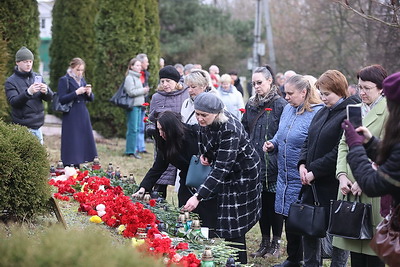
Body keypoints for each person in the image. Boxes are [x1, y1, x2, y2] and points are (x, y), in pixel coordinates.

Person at [184, 93, 262, 264]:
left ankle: (238, 262)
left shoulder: (230, 129)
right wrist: (206, 154)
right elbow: (207, 142)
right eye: (197, 114)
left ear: (217, 113)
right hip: (227, 172)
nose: (199, 118)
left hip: (244, 175)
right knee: (225, 220)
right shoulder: (206, 122)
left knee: (233, 223)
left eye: (204, 115)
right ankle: (229, 259)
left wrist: (198, 196)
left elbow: (221, 169)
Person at [297, 70, 360, 267]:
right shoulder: (322, 111)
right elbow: (308, 140)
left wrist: (315, 170)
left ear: (339, 91)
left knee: (338, 234)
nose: (323, 98)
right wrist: (302, 164)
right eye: (321, 94)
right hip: (312, 183)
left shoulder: (350, 112)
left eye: (326, 94)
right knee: (309, 230)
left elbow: (339, 151)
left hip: (334, 184)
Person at [263, 74, 324, 267]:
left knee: (303, 220)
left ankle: (309, 260)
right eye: (285, 93)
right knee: (289, 219)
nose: (286, 97)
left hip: (303, 178)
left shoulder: (317, 113)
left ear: (304, 92)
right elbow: (282, 134)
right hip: (284, 176)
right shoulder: (288, 109)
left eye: (290, 93)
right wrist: (272, 143)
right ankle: (293, 258)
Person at [336, 67, 393, 267]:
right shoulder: (355, 109)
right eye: (359, 87)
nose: (361, 92)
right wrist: (342, 175)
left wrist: (364, 179)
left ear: (382, 89)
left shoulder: (389, 111)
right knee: (354, 246)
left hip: (373, 188)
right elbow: (344, 144)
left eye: (367, 88)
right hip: (349, 186)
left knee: (372, 249)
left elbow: (386, 150)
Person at [132, 111, 218, 230]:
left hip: (206, 178)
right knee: (186, 215)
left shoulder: (193, 133)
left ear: (171, 128)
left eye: (163, 130)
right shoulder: (163, 141)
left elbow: (214, 146)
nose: (161, 134)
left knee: (206, 220)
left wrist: (209, 156)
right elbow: (158, 168)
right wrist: (143, 188)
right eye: (159, 130)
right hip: (187, 181)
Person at [242, 65, 287, 259]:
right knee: (260, 203)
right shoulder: (251, 104)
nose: (257, 87)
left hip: (275, 163)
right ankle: (264, 241)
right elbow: (244, 129)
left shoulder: (280, 104)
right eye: (254, 83)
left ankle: (276, 243)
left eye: (259, 82)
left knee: (274, 204)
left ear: (270, 81)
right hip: (255, 162)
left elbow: (283, 132)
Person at [148, 65, 189, 198]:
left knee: (184, 176)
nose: (165, 84)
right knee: (161, 174)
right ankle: (159, 204)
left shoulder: (185, 94)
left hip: (181, 141)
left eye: (168, 81)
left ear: (176, 82)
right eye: (162, 81)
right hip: (163, 139)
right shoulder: (156, 97)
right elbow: (151, 118)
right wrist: (152, 130)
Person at [5, 46, 54, 144]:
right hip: (22, 128)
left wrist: (46, 91)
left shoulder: (37, 77)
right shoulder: (11, 81)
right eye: (25, 62)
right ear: (17, 62)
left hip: (38, 126)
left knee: (39, 157)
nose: (28, 64)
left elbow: (50, 97)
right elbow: (14, 102)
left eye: (30, 61)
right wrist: (28, 92)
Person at [57, 57, 97, 168]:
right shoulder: (64, 80)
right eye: (77, 70)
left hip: (82, 113)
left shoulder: (82, 80)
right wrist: (76, 92)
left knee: (82, 139)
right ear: (72, 68)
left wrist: (89, 93)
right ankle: (68, 163)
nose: (80, 72)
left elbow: (90, 99)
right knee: (72, 139)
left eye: (82, 70)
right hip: (71, 114)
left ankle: (78, 162)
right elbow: (62, 98)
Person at [123, 58, 150, 158]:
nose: (139, 67)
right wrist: (143, 90)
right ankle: (130, 151)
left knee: (137, 129)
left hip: (139, 106)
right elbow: (131, 92)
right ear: (131, 66)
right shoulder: (129, 78)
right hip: (133, 106)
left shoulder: (137, 77)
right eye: (137, 65)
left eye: (140, 65)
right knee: (133, 129)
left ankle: (135, 150)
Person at [136, 53, 150, 154]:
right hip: (136, 103)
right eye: (146, 61)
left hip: (143, 102)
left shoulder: (145, 74)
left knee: (142, 126)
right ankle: (136, 147)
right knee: (136, 126)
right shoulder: (135, 75)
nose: (148, 63)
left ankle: (142, 147)